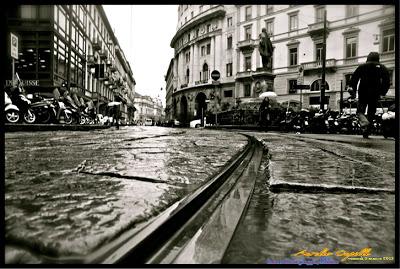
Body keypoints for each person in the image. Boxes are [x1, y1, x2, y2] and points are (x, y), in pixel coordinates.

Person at [349, 52, 390, 138]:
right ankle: (367, 131)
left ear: (368, 58)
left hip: (363, 91)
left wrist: (352, 89)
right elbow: (386, 81)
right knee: (372, 111)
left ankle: (364, 123)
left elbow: (354, 79)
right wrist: (383, 92)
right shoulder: (382, 67)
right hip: (375, 93)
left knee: (360, 111)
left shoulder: (362, 66)